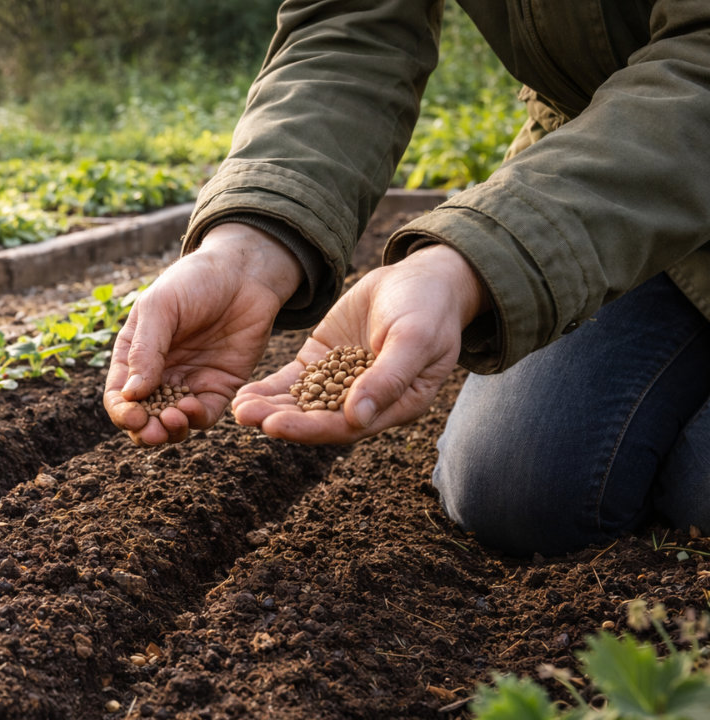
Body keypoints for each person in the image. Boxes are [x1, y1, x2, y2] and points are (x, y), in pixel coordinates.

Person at [103, 0, 710, 557]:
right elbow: (350, 25)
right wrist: (248, 243)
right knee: (513, 491)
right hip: (610, 188)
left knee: (695, 495)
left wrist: (470, 260)